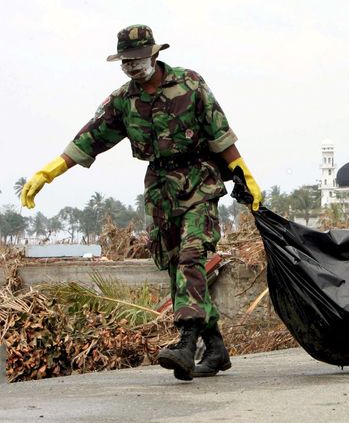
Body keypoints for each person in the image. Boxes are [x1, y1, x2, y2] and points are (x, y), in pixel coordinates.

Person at [20, 25, 263, 381]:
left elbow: (219, 132)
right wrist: (51, 170)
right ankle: (215, 347)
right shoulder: (123, 100)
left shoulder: (190, 83)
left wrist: (245, 174)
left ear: (154, 54)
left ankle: (187, 341)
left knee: (192, 256)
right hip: (160, 190)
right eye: (125, 61)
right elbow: (91, 137)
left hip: (198, 180)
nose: (132, 66)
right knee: (173, 264)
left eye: (137, 59)